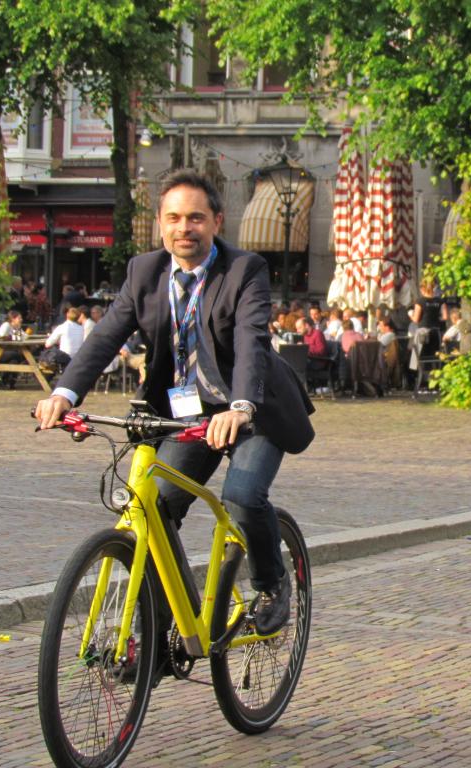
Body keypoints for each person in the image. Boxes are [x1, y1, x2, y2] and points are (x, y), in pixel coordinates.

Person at [34, 169, 315, 652]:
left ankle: (272, 585)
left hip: (252, 408)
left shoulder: (243, 270)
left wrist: (241, 407)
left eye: (196, 218)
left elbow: (251, 342)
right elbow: (105, 338)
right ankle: (169, 623)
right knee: (155, 506)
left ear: (216, 221)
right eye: (174, 218)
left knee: (243, 497)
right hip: (186, 412)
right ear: (160, 225)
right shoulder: (144, 272)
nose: (184, 228)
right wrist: (65, 394)